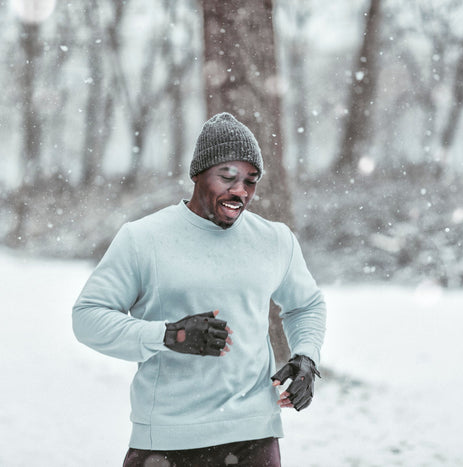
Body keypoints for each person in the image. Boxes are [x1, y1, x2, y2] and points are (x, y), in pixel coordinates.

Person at [72, 112, 326, 466]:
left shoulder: (274, 240)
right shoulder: (144, 239)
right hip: (166, 438)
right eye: (228, 177)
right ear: (197, 174)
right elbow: (88, 318)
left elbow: (306, 305)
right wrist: (168, 335)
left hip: (253, 435)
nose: (240, 191)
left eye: (251, 181)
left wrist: (306, 358)